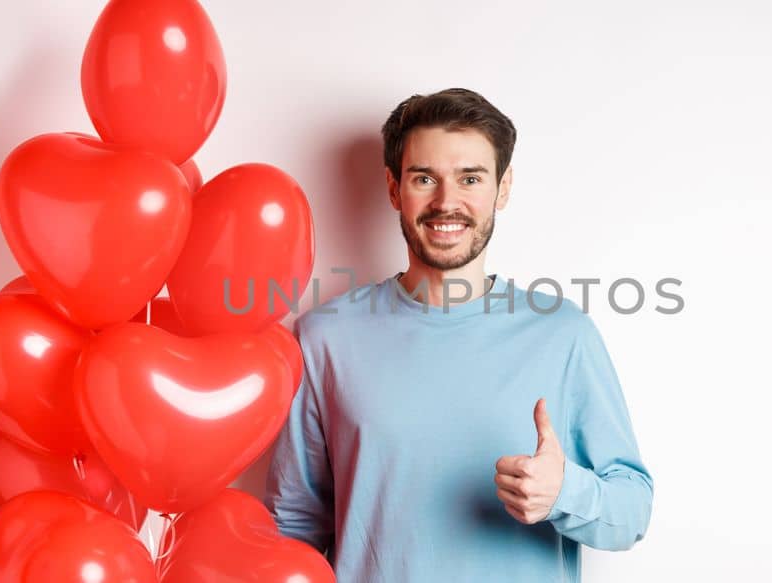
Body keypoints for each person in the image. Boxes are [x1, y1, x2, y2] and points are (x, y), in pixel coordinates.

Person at [262, 87, 653, 582]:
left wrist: (563, 494)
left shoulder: (564, 336)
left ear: (502, 187)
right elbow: (291, 526)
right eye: (425, 178)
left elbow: (632, 512)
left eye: (471, 178)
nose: (447, 202)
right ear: (392, 187)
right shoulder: (324, 339)